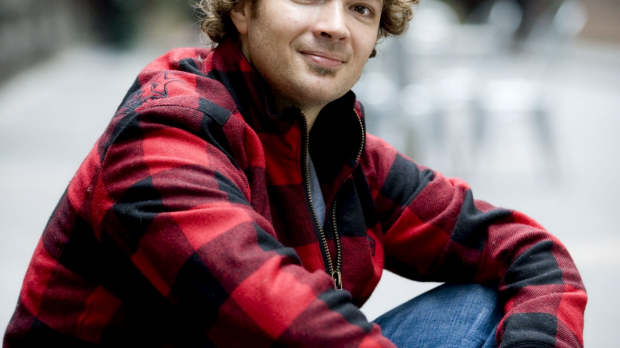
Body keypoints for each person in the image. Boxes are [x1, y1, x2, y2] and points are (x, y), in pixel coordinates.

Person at [4, 0, 586, 346]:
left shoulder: (340, 144)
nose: (336, 25)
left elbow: (531, 252)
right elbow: (291, 329)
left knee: (489, 302)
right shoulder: (165, 129)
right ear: (241, 7)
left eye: (361, 8)